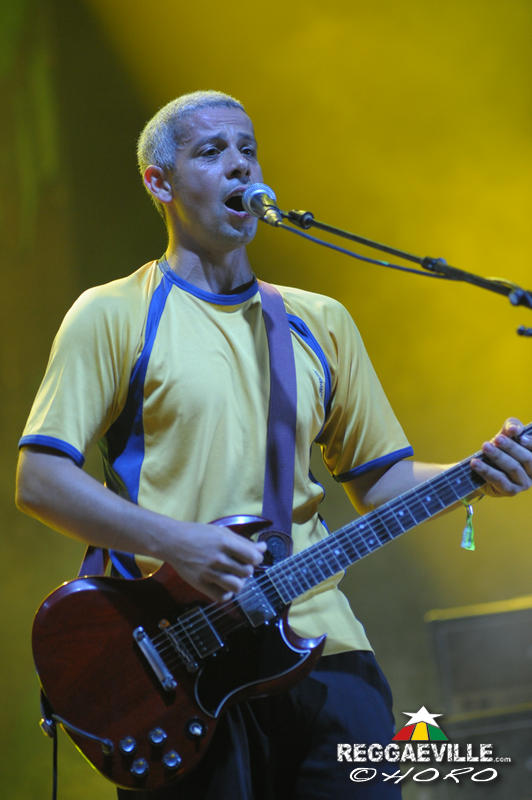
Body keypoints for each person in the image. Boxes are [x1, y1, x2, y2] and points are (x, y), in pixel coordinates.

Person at [16, 90, 532, 799]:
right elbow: (40, 479)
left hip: (321, 647)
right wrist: (180, 543)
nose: (240, 165)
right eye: (211, 151)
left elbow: (381, 483)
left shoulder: (320, 321)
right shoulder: (112, 314)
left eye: (248, 150)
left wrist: (477, 473)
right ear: (159, 183)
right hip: (176, 664)